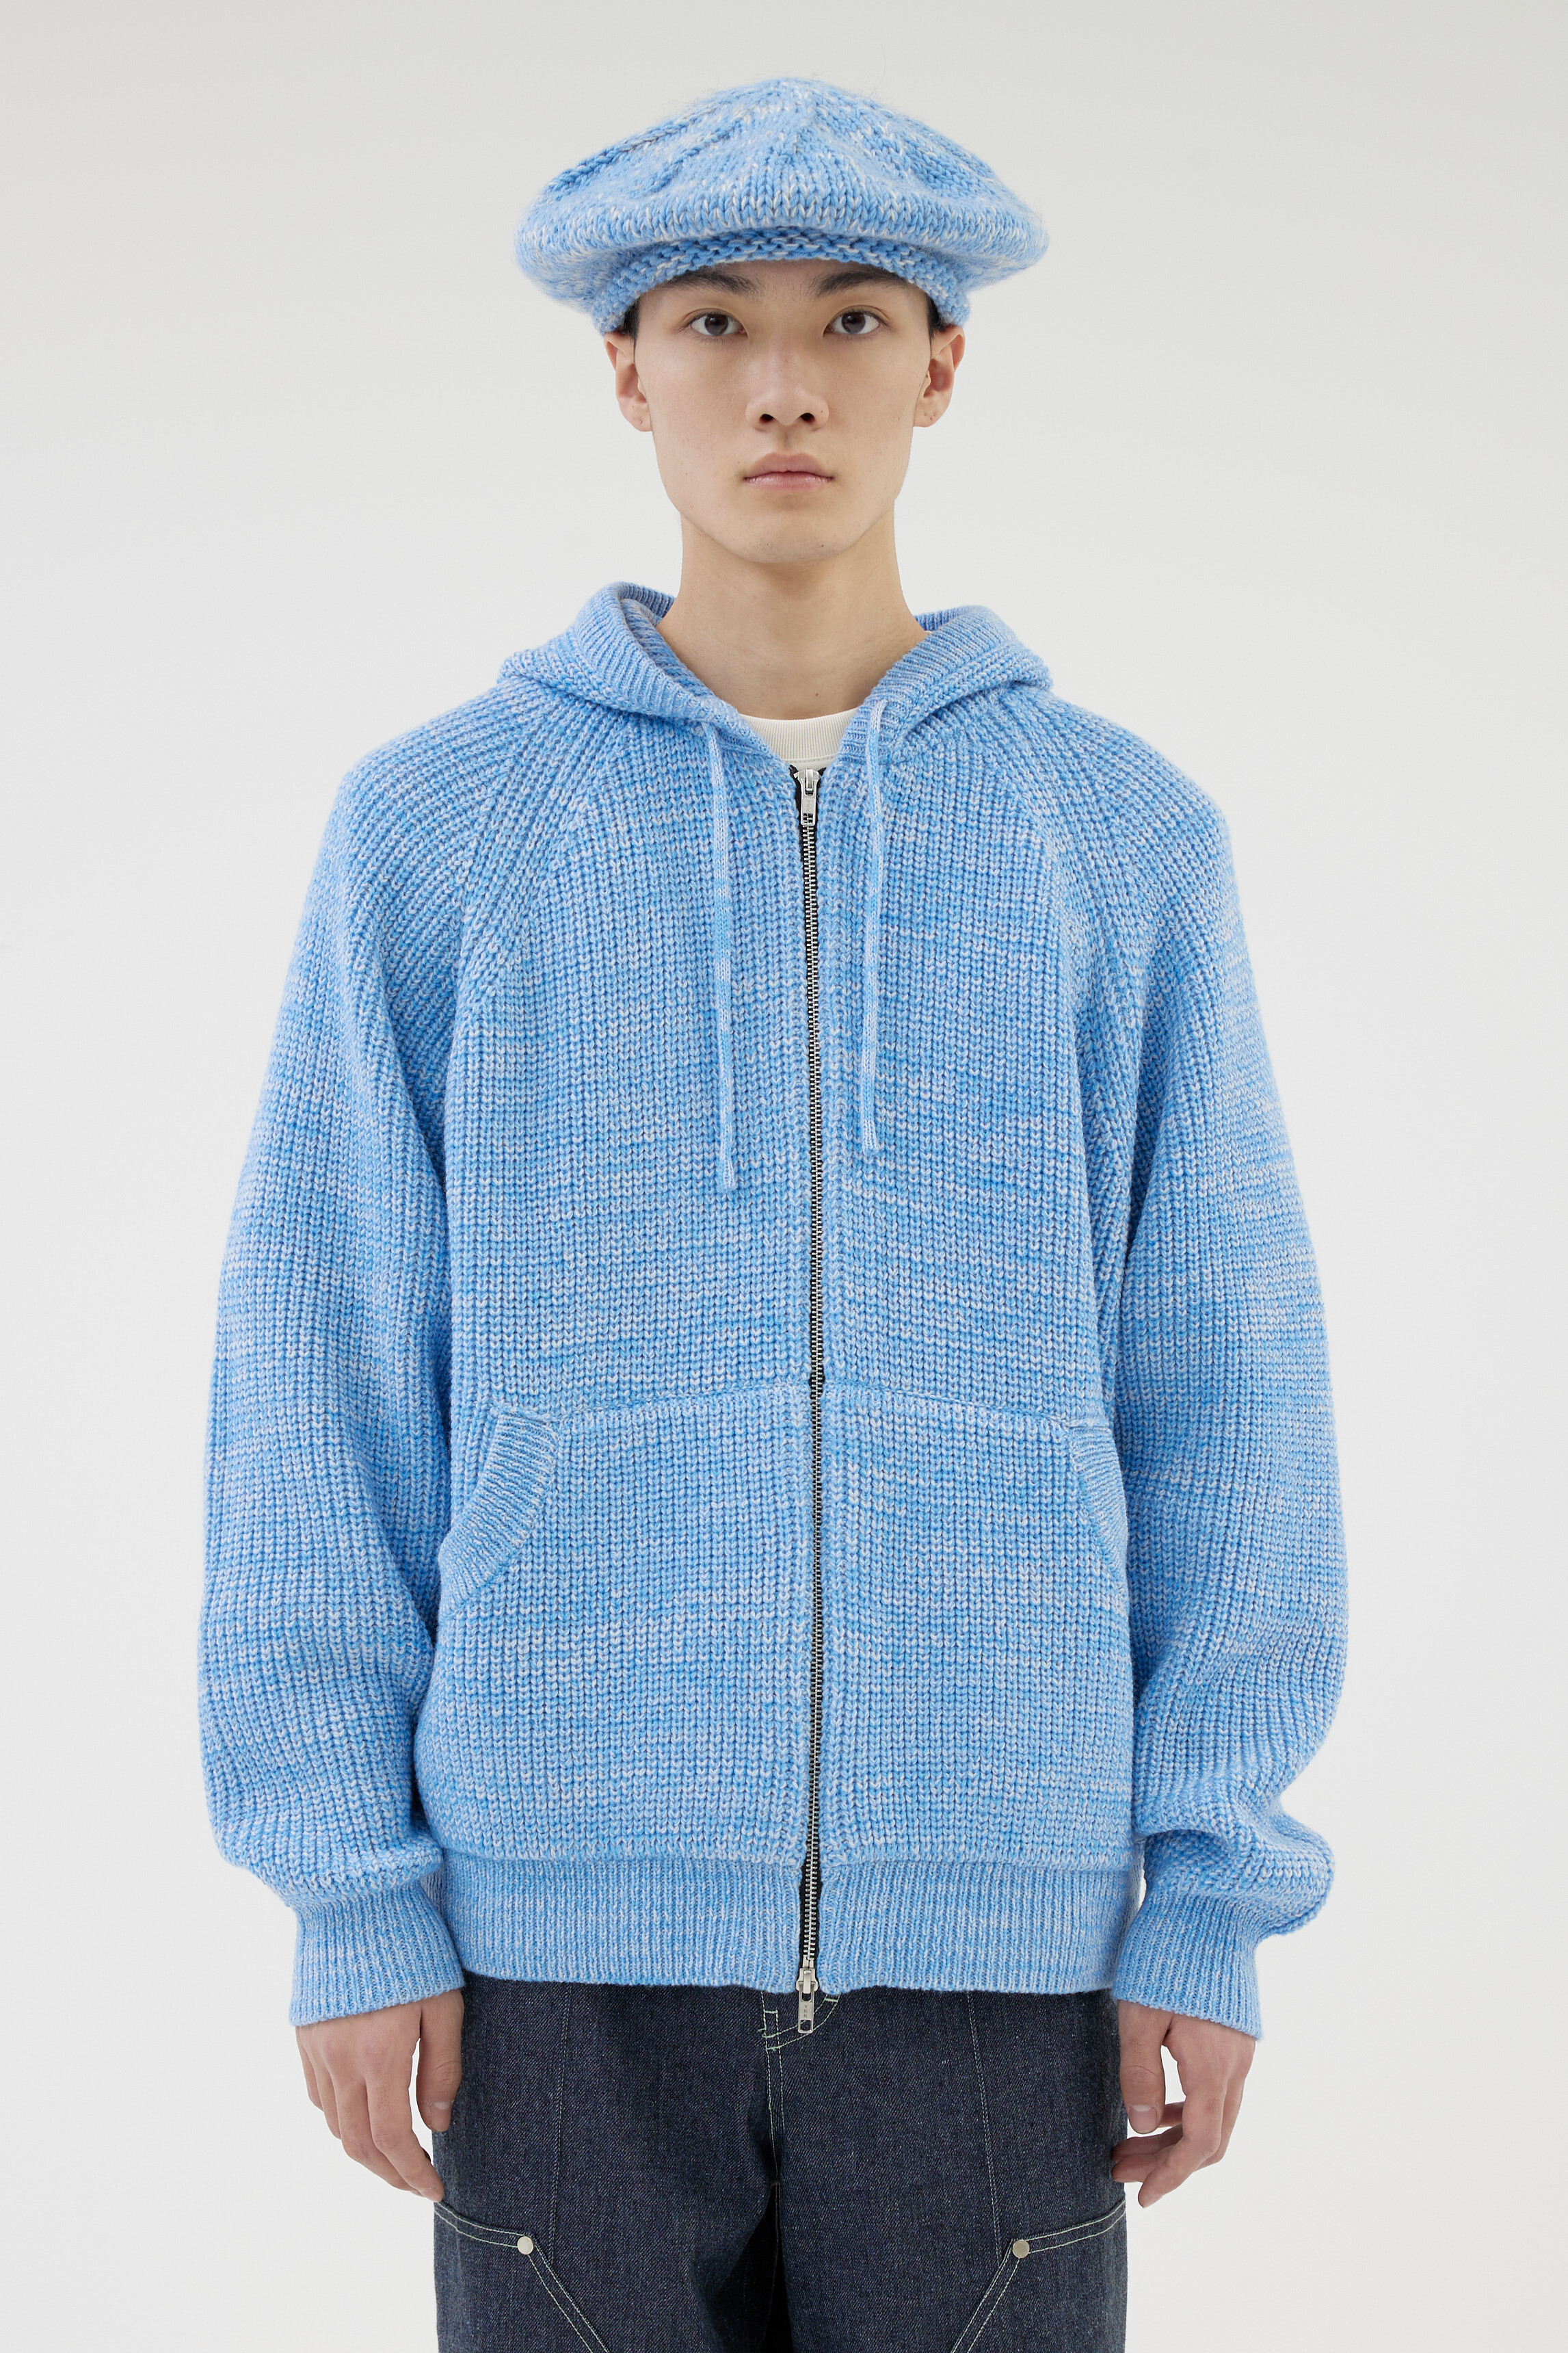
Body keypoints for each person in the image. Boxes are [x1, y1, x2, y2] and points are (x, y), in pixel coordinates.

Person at [199, 75, 1347, 2352]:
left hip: (1005, 1968)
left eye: (852, 317)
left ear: (946, 364)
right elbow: (321, 1374)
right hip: (548, 1972)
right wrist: (350, 1892)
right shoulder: (440, 833)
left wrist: (1209, 1897)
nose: (786, 383)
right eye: (715, 319)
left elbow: (1227, 1389)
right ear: (626, 371)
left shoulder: (1119, 842)